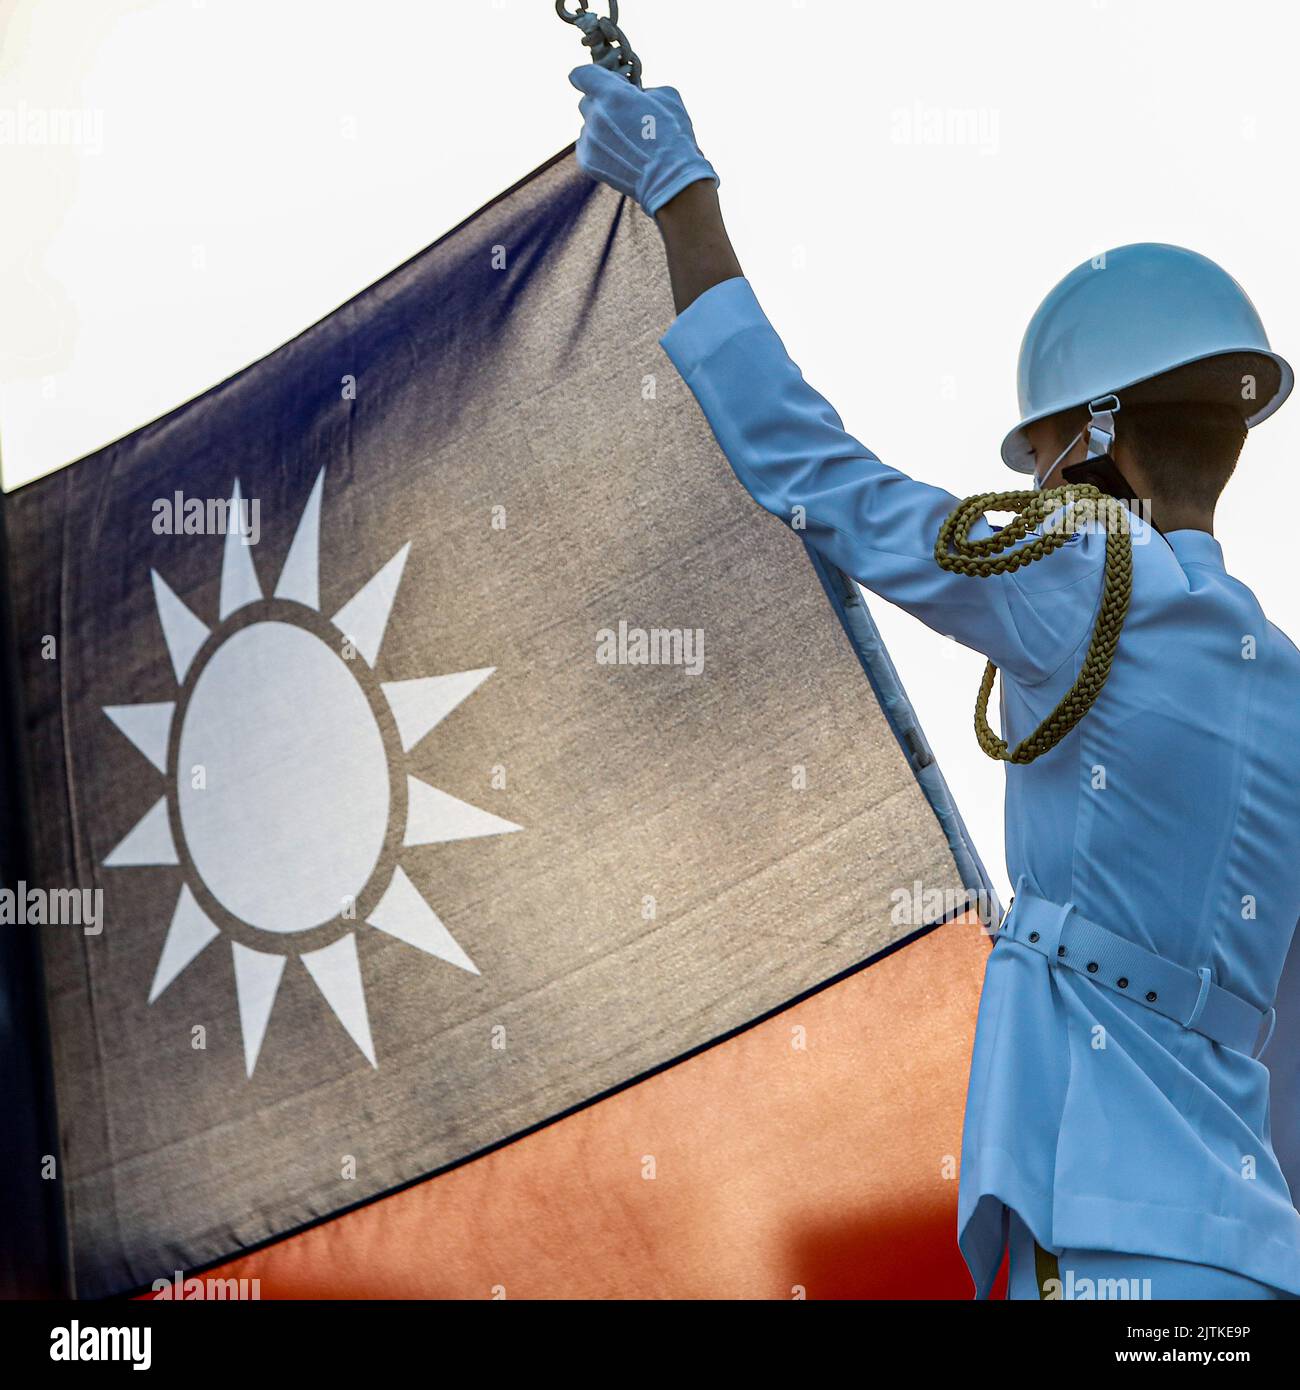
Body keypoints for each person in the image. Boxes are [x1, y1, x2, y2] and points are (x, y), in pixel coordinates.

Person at [570, 63, 1300, 1300]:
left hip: (1102, 1241)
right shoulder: (1277, 678)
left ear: (1102, 433)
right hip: (1244, 1253)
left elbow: (811, 468)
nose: (1041, 477)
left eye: (1052, 446)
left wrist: (681, 196)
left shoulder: (1079, 570)